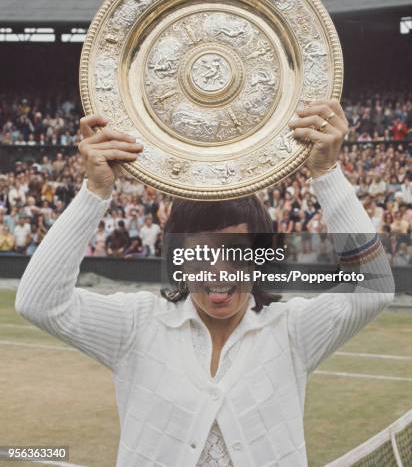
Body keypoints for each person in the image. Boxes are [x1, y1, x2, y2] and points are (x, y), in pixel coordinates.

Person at [15, 100, 394, 467]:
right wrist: (93, 193)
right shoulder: (137, 325)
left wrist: (327, 174)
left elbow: (374, 286)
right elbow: (40, 302)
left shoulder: (292, 330)